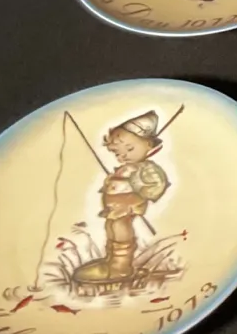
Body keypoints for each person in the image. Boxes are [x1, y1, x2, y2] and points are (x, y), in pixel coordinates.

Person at [72, 112, 170, 286]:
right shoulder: (127, 167)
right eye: (118, 153)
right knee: (111, 227)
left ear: (149, 145)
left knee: (120, 228)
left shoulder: (146, 168)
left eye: (129, 149)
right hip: (114, 208)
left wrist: (137, 190)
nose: (123, 156)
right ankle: (111, 261)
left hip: (127, 207)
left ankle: (120, 267)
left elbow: (157, 184)